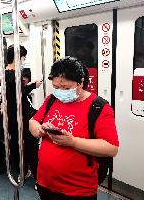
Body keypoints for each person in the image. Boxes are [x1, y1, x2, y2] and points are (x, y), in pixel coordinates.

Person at [29, 57, 119, 200]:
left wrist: (73, 142)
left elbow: (111, 148)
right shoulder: (52, 100)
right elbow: (33, 121)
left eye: (65, 88)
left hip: (78, 190)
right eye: (56, 87)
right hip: (45, 182)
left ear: (80, 82)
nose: (60, 92)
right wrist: (39, 129)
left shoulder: (98, 107)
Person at [5, 45, 42, 179]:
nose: (24, 60)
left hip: (12, 116)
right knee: (31, 147)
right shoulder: (14, 75)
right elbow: (20, 95)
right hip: (22, 116)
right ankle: (39, 177)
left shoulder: (4, 73)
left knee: (17, 145)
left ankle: (23, 171)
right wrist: (33, 85)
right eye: (23, 57)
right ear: (18, 57)